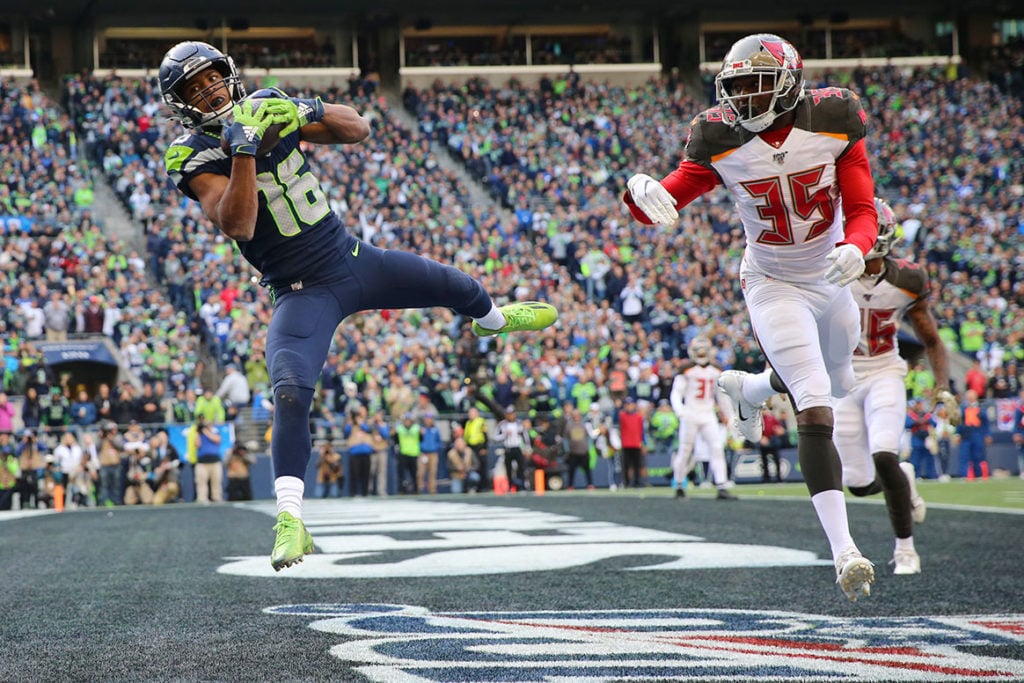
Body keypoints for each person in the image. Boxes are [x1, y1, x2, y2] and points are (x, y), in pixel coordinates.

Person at [159, 41, 557, 571]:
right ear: (181, 102)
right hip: (302, 290)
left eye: (212, 77)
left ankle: (496, 322)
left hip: (352, 258)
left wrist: (308, 110)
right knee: (291, 389)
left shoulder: (264, 103)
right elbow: (238, 223)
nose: (209, 89)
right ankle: (291, 518)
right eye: (195, 86)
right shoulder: (191, 153)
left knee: (457, 285)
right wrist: (244, 151)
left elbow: (358, 128)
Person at [625, 33, 878, 600]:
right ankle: (845, 552)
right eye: (734, 87)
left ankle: (752, 389)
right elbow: (664, 203)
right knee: (814, 399)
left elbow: (862, 209)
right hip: (771, 279)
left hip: (831, 272)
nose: (742, 98)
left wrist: (859, 246)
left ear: (789, 84)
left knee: (840, 380)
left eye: (755, 85)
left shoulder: (835, 117)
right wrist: (640, 192)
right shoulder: (719, 135)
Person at [829, 199, 957, 575]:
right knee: (858, 483)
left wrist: (942, 386)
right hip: (843, 378)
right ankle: (906, 478)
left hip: (885, 369)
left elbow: (931, 339)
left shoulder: (907, 279)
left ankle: (905, 550)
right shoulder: (829, 272)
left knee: (884, 453)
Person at [669, 336, 737, 500]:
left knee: (717, 448)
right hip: (690, 413)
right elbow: (676, 393)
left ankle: (721, 485)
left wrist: (730, 416)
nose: (700, 353)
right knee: (685, 450)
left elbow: (722, 397)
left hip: (708, 414)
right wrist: (681, 411)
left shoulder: (716, 370)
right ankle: (679, 485)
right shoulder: (686, 369)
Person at [191, 414, 224, 503]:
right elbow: (197, 444)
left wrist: (206, 431)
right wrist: (199, 432)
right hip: (202, 462)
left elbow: (217, 440)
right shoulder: (199, 435)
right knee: (201, 482)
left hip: (215, 461)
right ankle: (202, 499)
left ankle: (216, 498)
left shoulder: (215, 432)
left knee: (216, 482)